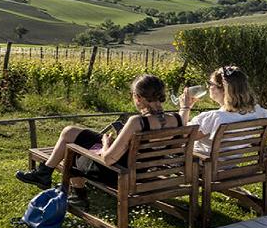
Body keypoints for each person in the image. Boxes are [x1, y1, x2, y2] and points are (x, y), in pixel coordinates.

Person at [15, 74, 184, 210]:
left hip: (117, 172)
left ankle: (77, 195)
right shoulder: (177, 119)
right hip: (140, 168)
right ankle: (44, 172)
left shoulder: (136, 122)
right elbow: (174, 150)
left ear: (138, 98)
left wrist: (106, 143)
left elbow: (108, 159)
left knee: (71, 150)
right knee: (70, 132)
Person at [179, 65, 267, 155]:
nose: (208, 87)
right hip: (230, 165)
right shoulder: (256, 112)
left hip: (202, 165)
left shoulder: (215, 117)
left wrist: (185, 108)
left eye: (210, 84)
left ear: (223, 90)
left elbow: (181, 136)